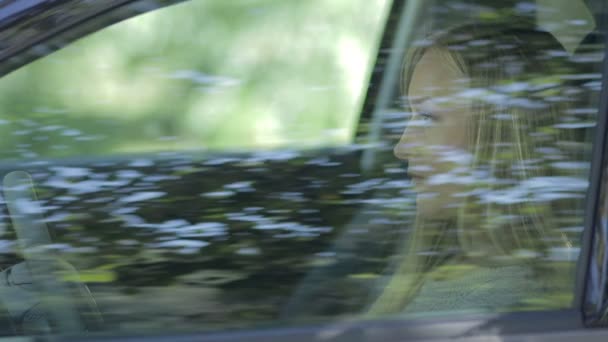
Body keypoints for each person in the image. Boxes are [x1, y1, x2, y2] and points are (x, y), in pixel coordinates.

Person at [368, 22, 586, 315]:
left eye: (428, 117)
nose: (401, 147)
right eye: (410, 116)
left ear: (498, 137)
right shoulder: (433, 269)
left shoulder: (500, 309)